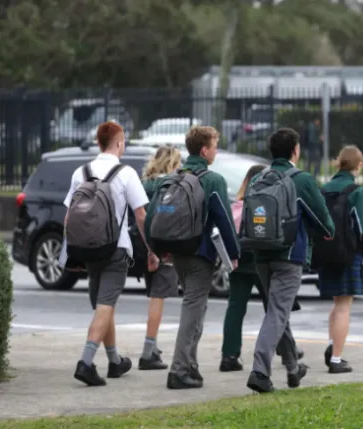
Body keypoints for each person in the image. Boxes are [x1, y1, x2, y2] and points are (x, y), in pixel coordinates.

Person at [64, 122, 159, 386]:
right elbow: (141, 215)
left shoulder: (79, 172)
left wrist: (69, 253)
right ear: (118, 143)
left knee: (103, 306)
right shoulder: (126, 173)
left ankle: (115, 361)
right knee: (105, 306)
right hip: (116, 249)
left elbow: (69, 217)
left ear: (98, 143)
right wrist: (152, 250)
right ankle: (85, 362)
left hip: (88, 250)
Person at [149, 126, 240, 389]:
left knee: (197, 308)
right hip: (200, 254)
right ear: (204, 150)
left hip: (176, 251)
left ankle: (191, 366)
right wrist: (234, 254)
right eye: (215, 145)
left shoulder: (173, 176)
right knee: (193, 310)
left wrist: (158, 249)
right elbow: (224, 219)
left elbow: (154, 216)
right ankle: (178, 371)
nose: (216, 150)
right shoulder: (213, 180)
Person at [245, 128, 335, 394]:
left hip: (260, 253)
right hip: (289, 255)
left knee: (276, 310)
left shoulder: (258, 178)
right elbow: (324, 222)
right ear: (295, 150)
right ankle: (260, 371)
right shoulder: (302, 180)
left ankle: (293, 368)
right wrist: (328, 232)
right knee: (277, 312)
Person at [220, 164, 304, 372]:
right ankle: (287, 350)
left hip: (240, 260)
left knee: (236, 307)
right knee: (275, 308)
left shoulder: (240, 204)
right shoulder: (271, 202)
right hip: (261, 257)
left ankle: (229, 355)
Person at [316, 145, 363, 374]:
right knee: (343, 306)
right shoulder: (358, 193)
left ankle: (333, 346)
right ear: (358, 165)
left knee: (336, 303)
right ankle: (337, 359)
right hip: (347, 255)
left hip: (325, 253)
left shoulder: (324, 190)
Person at [138, 146, 182, 371]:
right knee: (158, 297)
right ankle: (148, 350)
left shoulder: (144, 183)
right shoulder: (171, 185)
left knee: (152, 294)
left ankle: (152, 347)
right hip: (162, 246)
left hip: (139, 244)